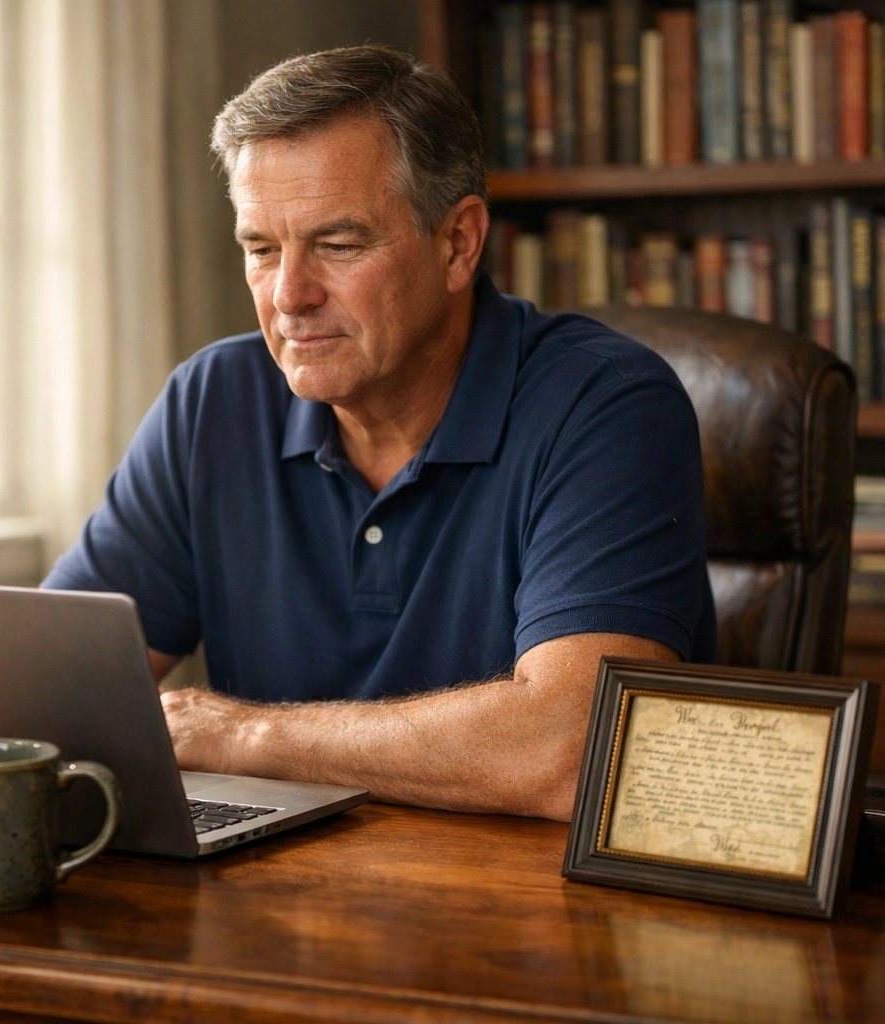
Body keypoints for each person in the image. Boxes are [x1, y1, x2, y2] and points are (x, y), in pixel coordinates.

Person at [43, 46, 716, 821]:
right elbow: (54, 690)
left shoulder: (606, 405)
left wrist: (246, 734)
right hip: (270, 906)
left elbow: (574, 747)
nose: (289, 296)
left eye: (338, 245)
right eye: (261, 249)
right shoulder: (212, 401)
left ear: (459, 243)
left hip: (523, 916)